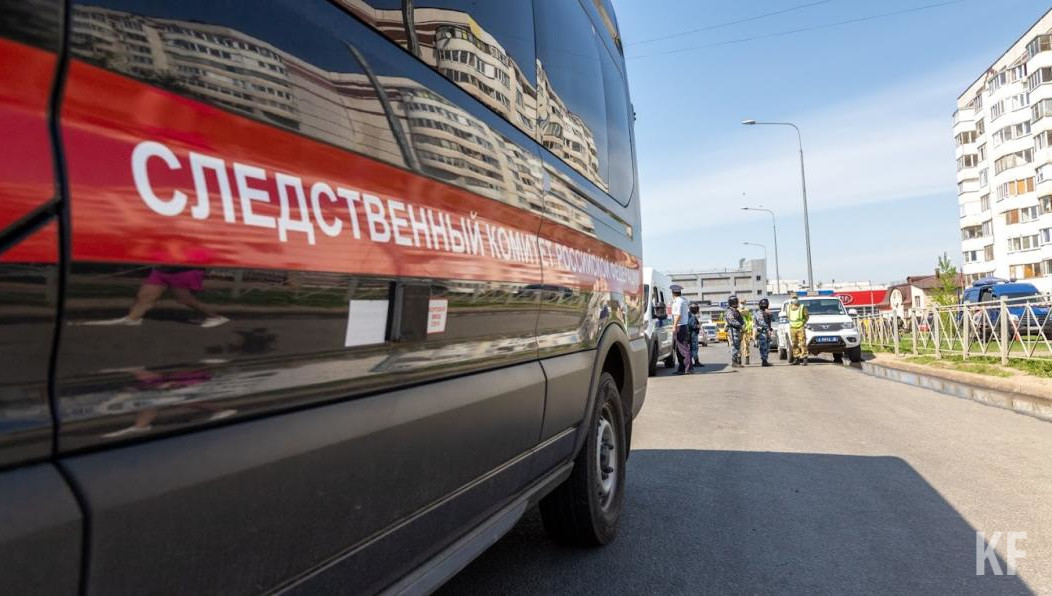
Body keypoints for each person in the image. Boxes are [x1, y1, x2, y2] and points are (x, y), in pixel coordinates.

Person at [670, 285, 693, 374]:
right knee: (679, 349)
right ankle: (682, 368)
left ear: (673, 293)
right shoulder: (683, 300)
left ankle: (688, 368)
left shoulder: (678, 302)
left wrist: (674, 326)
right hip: (683, 326)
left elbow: (677, 315)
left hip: (680, 326)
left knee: (683, 348)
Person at [787, 294, 809, 366]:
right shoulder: (788, 307)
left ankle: (804, 358)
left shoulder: (802, 307)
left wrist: (803, 323)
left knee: (802, 343)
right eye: (793, 298)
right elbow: (788, 316)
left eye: (795, 298)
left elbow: (806, 316)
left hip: (800, 327)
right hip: (792, 327)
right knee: (794, 343)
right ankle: (796, 358)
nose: (794, 299)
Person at [725, 295, 744, 368]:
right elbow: (732, 320)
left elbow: (741, 319)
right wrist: (740, 325)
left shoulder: (736, 311)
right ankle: (734, 361)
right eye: (736, 302)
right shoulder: (729, 311)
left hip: (738, 330)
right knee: (735, 346)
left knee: (737, 346)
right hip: (733, 330)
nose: (738, 303)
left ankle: (737, 361)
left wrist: (743, 325)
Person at [755, 298, 773, 367]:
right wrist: (768, 329)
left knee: (767, 347)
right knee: (763, 347)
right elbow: (762, 323)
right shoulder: (759, 313)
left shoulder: (766, 312)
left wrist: (769, 314)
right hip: (762, 332)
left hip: (766, 332)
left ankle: (765, 360)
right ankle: (764, 361)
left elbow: (770, 321)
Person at [688, 303, 703, 369]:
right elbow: (692, 325)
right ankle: (695, 362)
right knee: (694, 348)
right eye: (696, 308)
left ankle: (692, 362)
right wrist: (698, 326)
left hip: (692, 334)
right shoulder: (692, 316)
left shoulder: (690, 315)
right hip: (693, 334)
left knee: (692, 348)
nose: (697, 310)